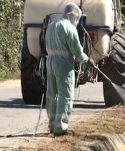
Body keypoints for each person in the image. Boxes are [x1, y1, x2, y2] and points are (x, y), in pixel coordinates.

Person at [45, 2, 89, 136]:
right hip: (64, 64)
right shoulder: (69, 27)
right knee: (66, 96)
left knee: (52, 95)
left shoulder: (51, 26)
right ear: (72, 15)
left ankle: (52, 125)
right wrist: (85, 58)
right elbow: (76, 50)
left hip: (50, 62)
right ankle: (61, 128)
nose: (76, 21)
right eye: (76, 18)